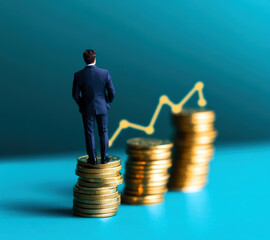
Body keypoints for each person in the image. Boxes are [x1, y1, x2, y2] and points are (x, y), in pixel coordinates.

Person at [72, 49, 115, 165]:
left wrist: (82, 104)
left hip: (87, 108)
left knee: (89, 133)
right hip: (102, 106)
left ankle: (93, 158)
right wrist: (107, 101)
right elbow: (112, 92)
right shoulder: (104, 72)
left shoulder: (78, 75)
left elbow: (75, 95)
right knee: (104, 132)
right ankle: (105, 157)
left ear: (84, 59)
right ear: (95, 59)